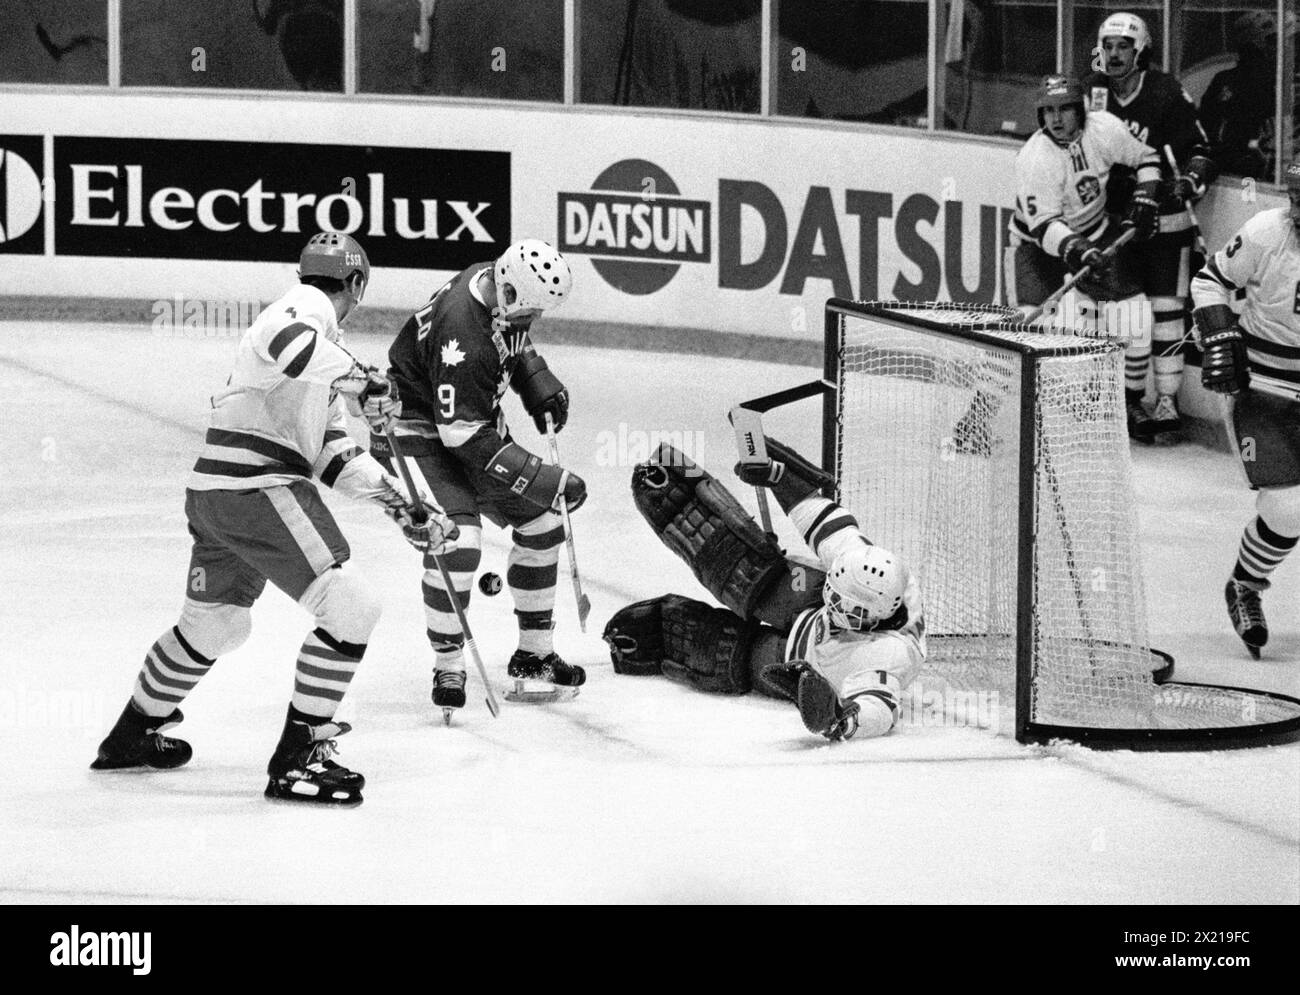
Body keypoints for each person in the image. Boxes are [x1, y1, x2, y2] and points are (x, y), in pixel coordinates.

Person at [90, 232, 456, 806]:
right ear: (357, 285)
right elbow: (285, 339)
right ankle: (297, 760)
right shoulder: (307, 311)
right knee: (353, 607)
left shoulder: (324, 364)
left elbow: (330, 455)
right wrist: (364, 379)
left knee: (216, 628)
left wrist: (402, 506)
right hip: (256, 487)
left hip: (216, 494)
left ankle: (131, 735)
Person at [373, 238, 586, 717]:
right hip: (414, 435)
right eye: (527, 311)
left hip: (465, 425)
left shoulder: (493, 279)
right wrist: (545, 477)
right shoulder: (461, 333)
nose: (530, 321)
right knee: (460, 540)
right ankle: (448, 662)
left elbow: (512, 336)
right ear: (508, 288)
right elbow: (461, 438)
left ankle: (534, 656)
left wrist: (535, 378)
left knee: (543, 524)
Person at [602, 439, 924, 742]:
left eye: (841, 603)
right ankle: (680, 489)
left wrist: (842, 718)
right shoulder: (860, 562)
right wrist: (776, 475)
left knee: (727, 653)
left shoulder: (888, 655)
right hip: (807, 602)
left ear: (871, 616)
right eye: (834, 591)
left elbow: (879, 710)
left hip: (802, 659)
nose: (833, 602)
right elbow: (819, 515)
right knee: (750, 573)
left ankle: (662, 642)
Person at [955, 73, 1161, 452]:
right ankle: (976, 421)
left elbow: (1147, 158)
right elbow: (1044, 226)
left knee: (1136, 317)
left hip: (1095, 232)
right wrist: (1079, 250)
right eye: (1048, 111)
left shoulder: (1105, 128)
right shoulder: (1035, 157)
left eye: (1064, 108)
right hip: (1037, 249)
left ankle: (1130, 405)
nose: (1056, 118)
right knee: (1022, 330)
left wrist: (1146, 196)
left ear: (1080, 108)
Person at [1082, 10, 1218, 440]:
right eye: (1109, 45)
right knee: (1125, 317)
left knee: (1165, 313)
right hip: (1113, 223)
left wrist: (1190, 179)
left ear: (1140, 50)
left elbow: (1201, 149)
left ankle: (1166, 399)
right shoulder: (1089, 92)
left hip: (1165, 221)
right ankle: (1126, 400)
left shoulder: (1164, 91)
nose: (1115, 53)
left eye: (1124, 45)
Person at [1190, 155, 1300, 661]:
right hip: (1264, 389)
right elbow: (1209, 280)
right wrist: (1220, 330)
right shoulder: (1266, 230)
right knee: (1288, 507)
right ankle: (1245, 585)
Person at [1200, 11, 1283, 181]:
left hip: (1270, 171)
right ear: (1253, 46)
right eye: (1271, 41)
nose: (1277, 48)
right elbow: (1206, 131)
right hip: (1240, 175)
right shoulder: (1226, 82)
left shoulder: (1282, 83)